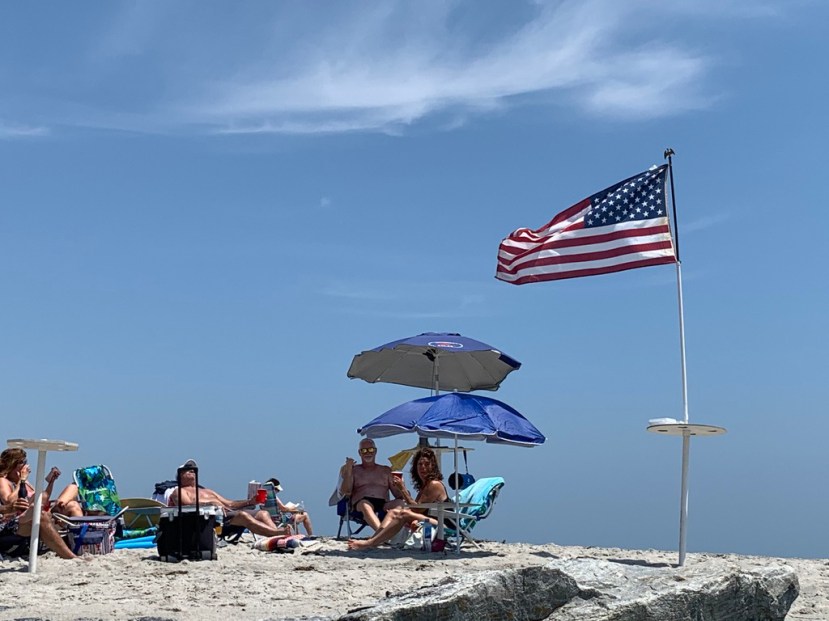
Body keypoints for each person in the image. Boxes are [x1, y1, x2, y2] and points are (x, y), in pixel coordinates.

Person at [347, 447, 449, 550]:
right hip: (429, 521)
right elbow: (418, 509)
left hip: (442, 525)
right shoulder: (425, 486)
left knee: (403, 513)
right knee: (393, 512)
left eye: (427, 464)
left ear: (433, 466)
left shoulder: (434, 484)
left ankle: (370, 543)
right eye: (420, 464)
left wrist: (402, 488)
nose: (423, 467)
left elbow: (417, 509)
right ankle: (375, 539)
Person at [168, 460, 290, 538]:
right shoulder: (179, 491)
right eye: (187, 469)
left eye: (194, 470)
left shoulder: (207, 491)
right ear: (180, 475)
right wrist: (211, 503)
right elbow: (186, 505)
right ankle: (277, 533)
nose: (192, 470)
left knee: (263, 513)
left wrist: (251, 502)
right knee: (243, 516)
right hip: (211, 522)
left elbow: (230, 503)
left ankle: (277, 535)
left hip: (227, 515)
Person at [0, 449, 79, 560]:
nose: (26, 465)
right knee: (38, 514)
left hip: (31, 515)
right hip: (11, 525)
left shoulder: (25, 482)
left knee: (73, 503)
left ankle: (81, 547)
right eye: (22, 462)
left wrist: (51, 482)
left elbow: (43, 498)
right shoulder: (3, 481)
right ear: (13, 464)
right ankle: (71, 556)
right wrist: (21, 481)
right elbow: (8, 501)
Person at [339, 439, 404, 531]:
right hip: (361, 503)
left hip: (383, 504)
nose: (367, 453)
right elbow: (345, 491)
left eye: (370, 450)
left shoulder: (386, 470)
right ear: (359, 453)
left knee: (400, 503)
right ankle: (381, 534)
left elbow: (398, 495)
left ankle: (388, 532)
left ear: (375, 451)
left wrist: (401, 487)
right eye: (364, 450)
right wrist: (349, 470)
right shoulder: (354, 471)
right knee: (365, 505)